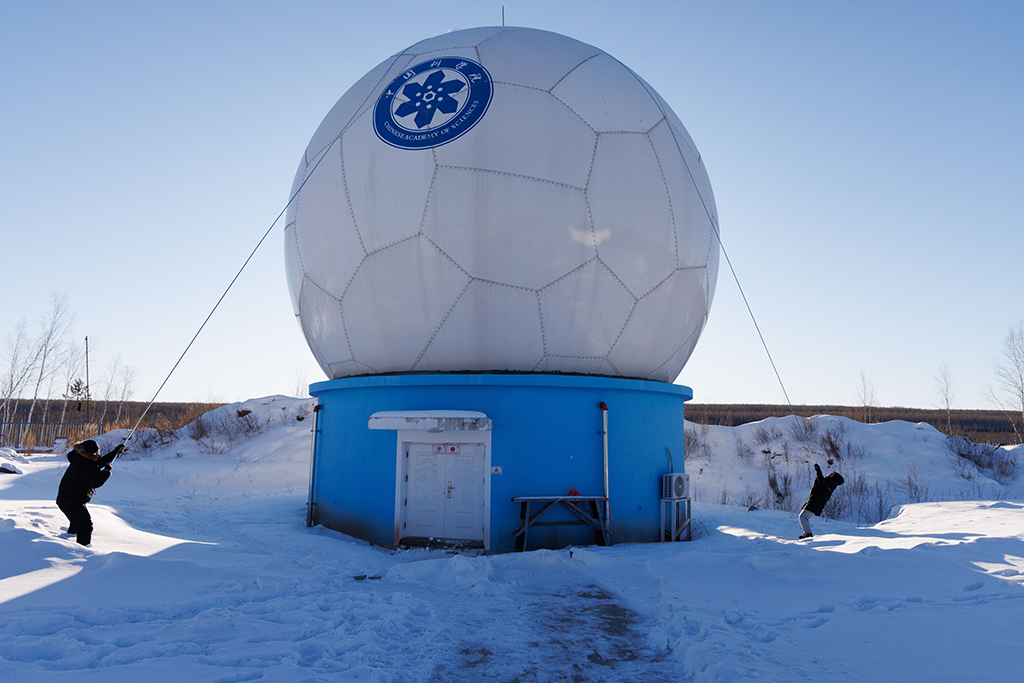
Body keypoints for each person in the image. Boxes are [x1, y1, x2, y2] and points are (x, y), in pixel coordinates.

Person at [56, 439, 125, 546]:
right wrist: (106, 472)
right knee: (85, 527)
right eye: (96, 453)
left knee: (76, 524)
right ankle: (80, 550)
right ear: (90, 454)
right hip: (72, 502)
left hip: (66, 500)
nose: (98, 455)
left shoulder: (79, 457)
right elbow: (95, 482)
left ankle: (67, 541)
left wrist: (115, 452)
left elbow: (97, 463)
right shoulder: (85, 465)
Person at [798, 463, 844, 540]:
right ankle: (807, 533)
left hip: (815, 503)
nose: (830, 473)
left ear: (834, 477)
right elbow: (819, 482)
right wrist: (818, 473)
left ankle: (808, 534)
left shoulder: (831, 482)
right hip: (815, 502)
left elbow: (822, 481)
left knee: (803, 517)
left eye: (832, 473)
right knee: (803, 517)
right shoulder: (830, 483)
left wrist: (818, 470)